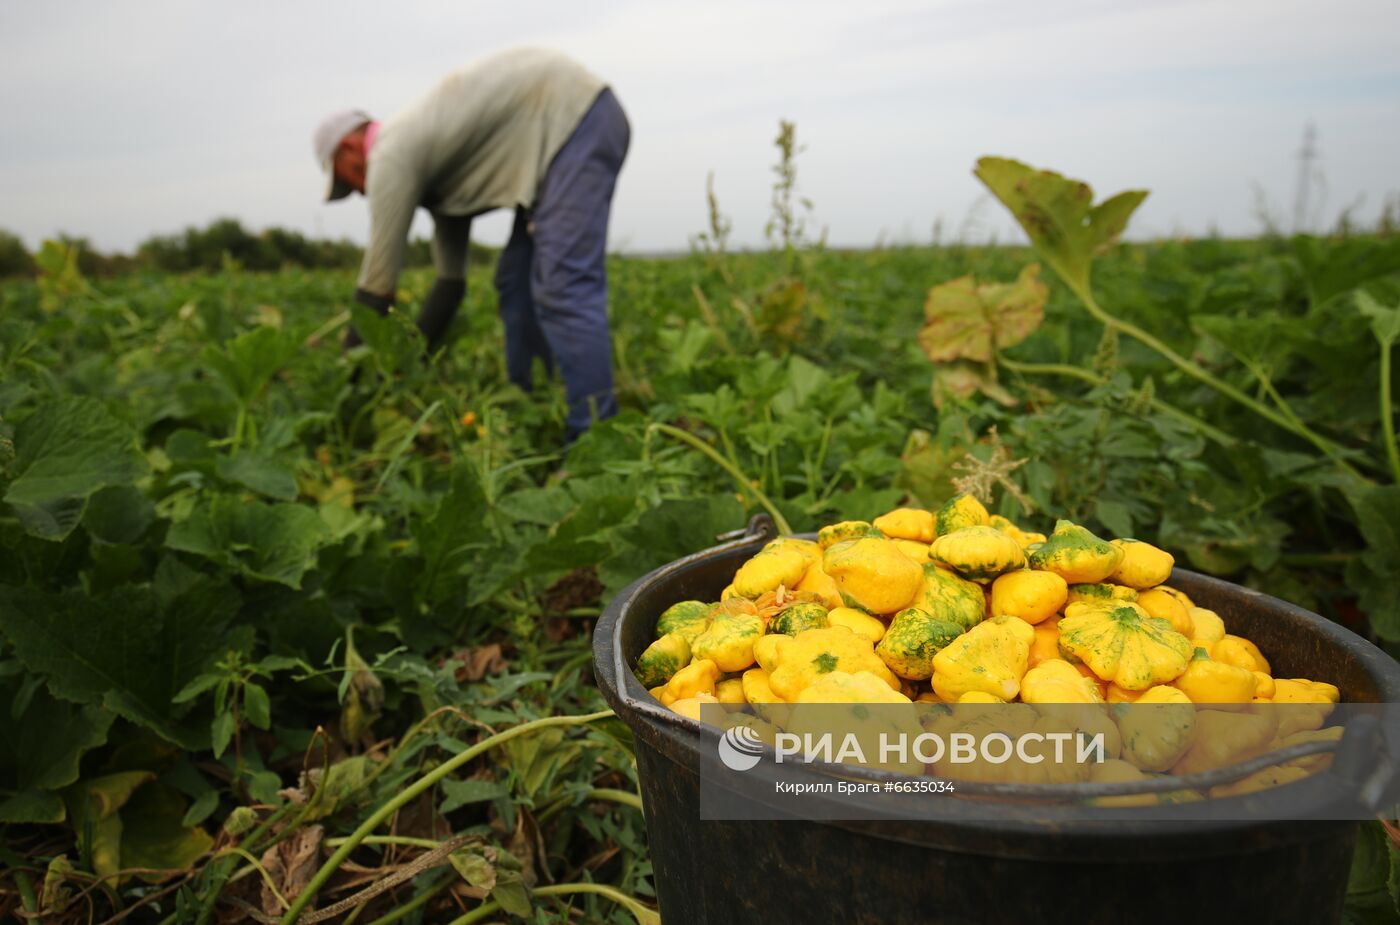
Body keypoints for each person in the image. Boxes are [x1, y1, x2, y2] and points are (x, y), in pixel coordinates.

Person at [313, 47, 628, 441]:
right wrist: (408, 363)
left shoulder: (390, 157)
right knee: (516, 283)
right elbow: (450, 284)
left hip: (574, 118)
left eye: (346, 181)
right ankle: (529, 402)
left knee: (564, 287)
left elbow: (377, 288)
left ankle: (595, 445)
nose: (357, 191)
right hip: (563, 129)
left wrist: (349, 390)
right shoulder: (434, 165)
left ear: (347, 150)